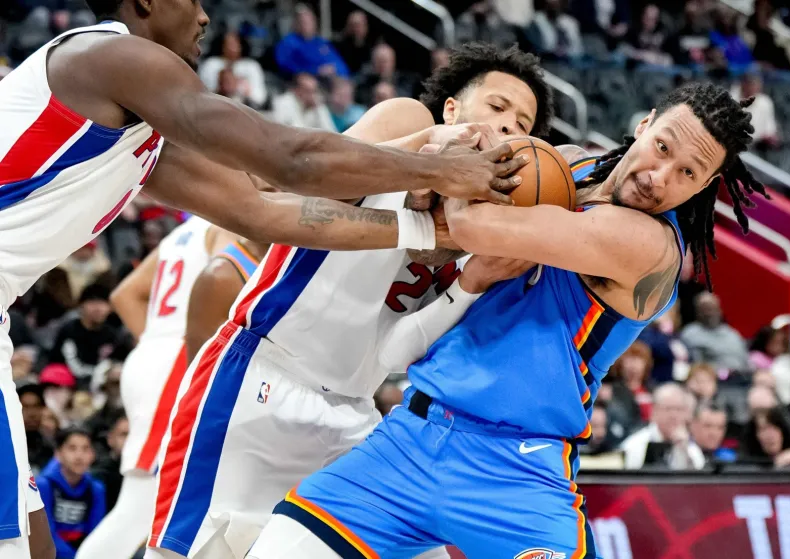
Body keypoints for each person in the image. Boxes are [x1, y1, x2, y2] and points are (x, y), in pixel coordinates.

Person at [0, 0, 526, 552]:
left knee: (33, 541)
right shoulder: (112, 55)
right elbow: (288, 158)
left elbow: (262, 210)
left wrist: (425, 231)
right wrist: (437, 167)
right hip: (260, 376)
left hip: (339, 397)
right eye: (193, 0)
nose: (205, 16)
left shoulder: (139, 135)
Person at [246, 82, 767, 558]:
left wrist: (446, 170)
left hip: (517, 470)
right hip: (413, 436)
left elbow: (472, 224)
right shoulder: (569, 167)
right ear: (645, 123)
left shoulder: (650, 247)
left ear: (706, 186)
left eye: (688, 174)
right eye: (663, 147)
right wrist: (431, 184)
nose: (660, 177)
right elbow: (438, 234)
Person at [147, 42, 554, 559]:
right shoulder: (407, 119)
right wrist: (424, 161)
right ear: (451, 109)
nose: (507, 129)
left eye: (523, 124)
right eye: (497, 108)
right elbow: (309, 180)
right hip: (262, 382)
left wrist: (468, 283)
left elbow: (392, 356)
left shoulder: (488, 230)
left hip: (355, 416)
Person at [74, 218, 242, 559]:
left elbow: (124, 295)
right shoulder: (229, 223)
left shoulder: (184, 231)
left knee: (164, 497)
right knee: (141, 503)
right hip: (178, 360)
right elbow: (232, 296)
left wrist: (156, 341)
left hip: (155, 355)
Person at [36, 428, 106, 559]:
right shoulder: (44, 485)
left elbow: (95, 533)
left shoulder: (96, 489)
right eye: (72, 448)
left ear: (93, 455)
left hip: (83, 552)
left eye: (85, 449)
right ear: (58, 453)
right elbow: (46, 534)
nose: (79, 456)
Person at [680, 292, 749, 373]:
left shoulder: (732, 334)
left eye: (712, 308)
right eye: (705, 309)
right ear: (698, 312)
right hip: (712, 380)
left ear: (719, 310)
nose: (710, 313)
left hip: (742, 378)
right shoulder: (690, 334)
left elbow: (745, 359)